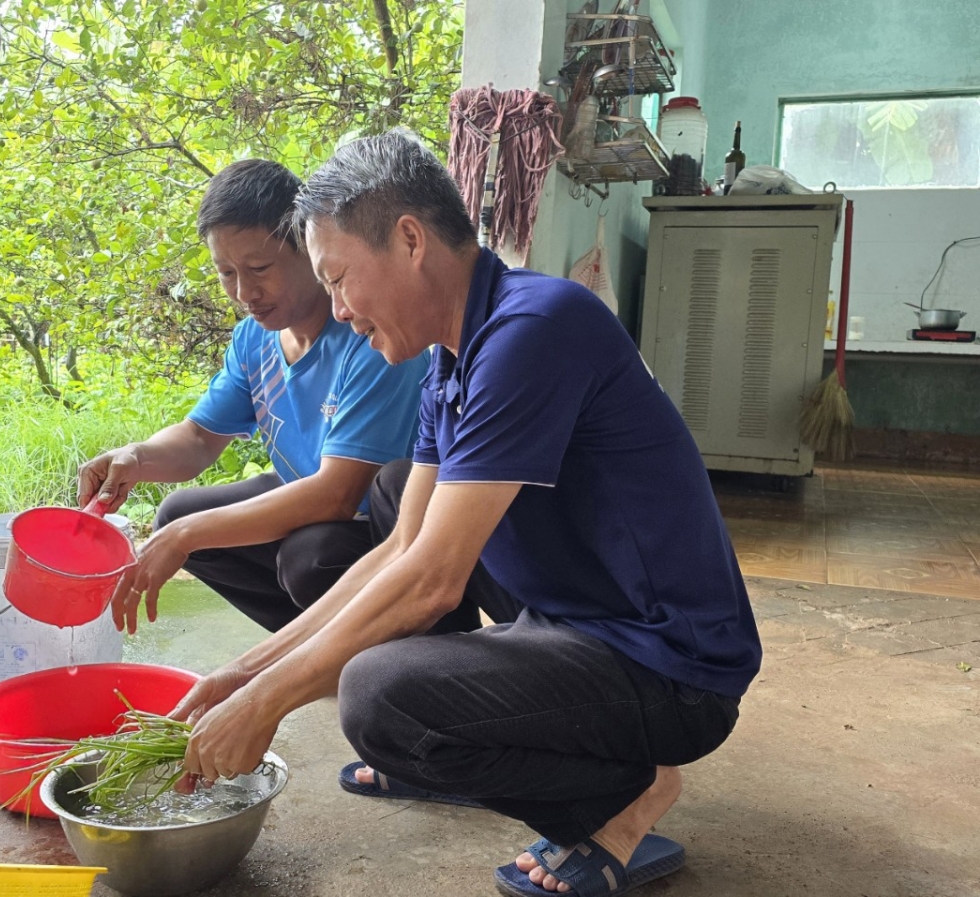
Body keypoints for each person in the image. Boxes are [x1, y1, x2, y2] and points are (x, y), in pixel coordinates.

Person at [169, 131, 763, 897]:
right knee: (392, 506)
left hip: (672, 666)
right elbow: (399, 549)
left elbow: (431, 584)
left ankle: (625, 795)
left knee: (378, 695)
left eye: (341, 279)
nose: (341, 309)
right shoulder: (451, 358)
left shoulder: (533, 331)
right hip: (575, 617)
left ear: (410, 239)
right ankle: (482, 741)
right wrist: (240, 675)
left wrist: (267, 703)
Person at [78, 159, 431, 636]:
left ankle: (377, 646)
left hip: (388, 527)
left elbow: (337, 496)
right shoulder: (255, 339)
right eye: (226, 273)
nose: (245, 292)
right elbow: (201, 439)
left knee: (309, 557)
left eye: (260, 269)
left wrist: (184, 539)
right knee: (179, 513)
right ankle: (308, 644)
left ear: (310, 249)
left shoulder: (370, 333)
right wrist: (135, 458)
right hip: (313, 500)